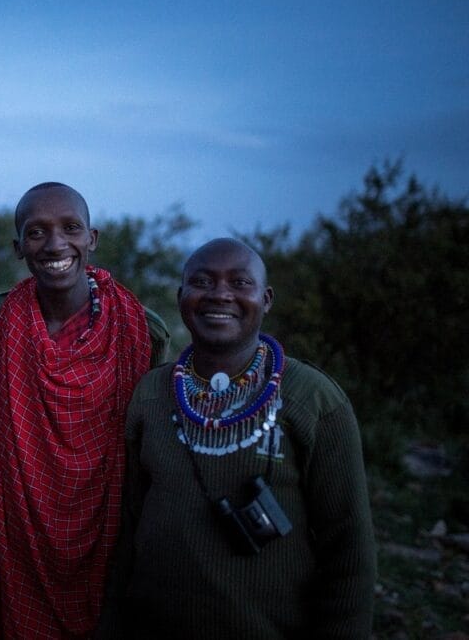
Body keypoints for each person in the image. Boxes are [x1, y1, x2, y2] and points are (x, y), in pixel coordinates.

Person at [101, 237, 377, 638]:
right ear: (181, 296)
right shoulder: (150, 394)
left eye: (239, 283)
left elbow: (348, 548)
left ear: (265, 299)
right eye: (203, 282)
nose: (220, 295)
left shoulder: (312, 399)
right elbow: (127, 530)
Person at [0, 182, 158, 639]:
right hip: (18, 537)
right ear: (18, 247)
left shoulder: (140, 328)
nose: (56, 244)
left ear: (92, 239)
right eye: (37, 232)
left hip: (110, 532)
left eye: (70, 228)